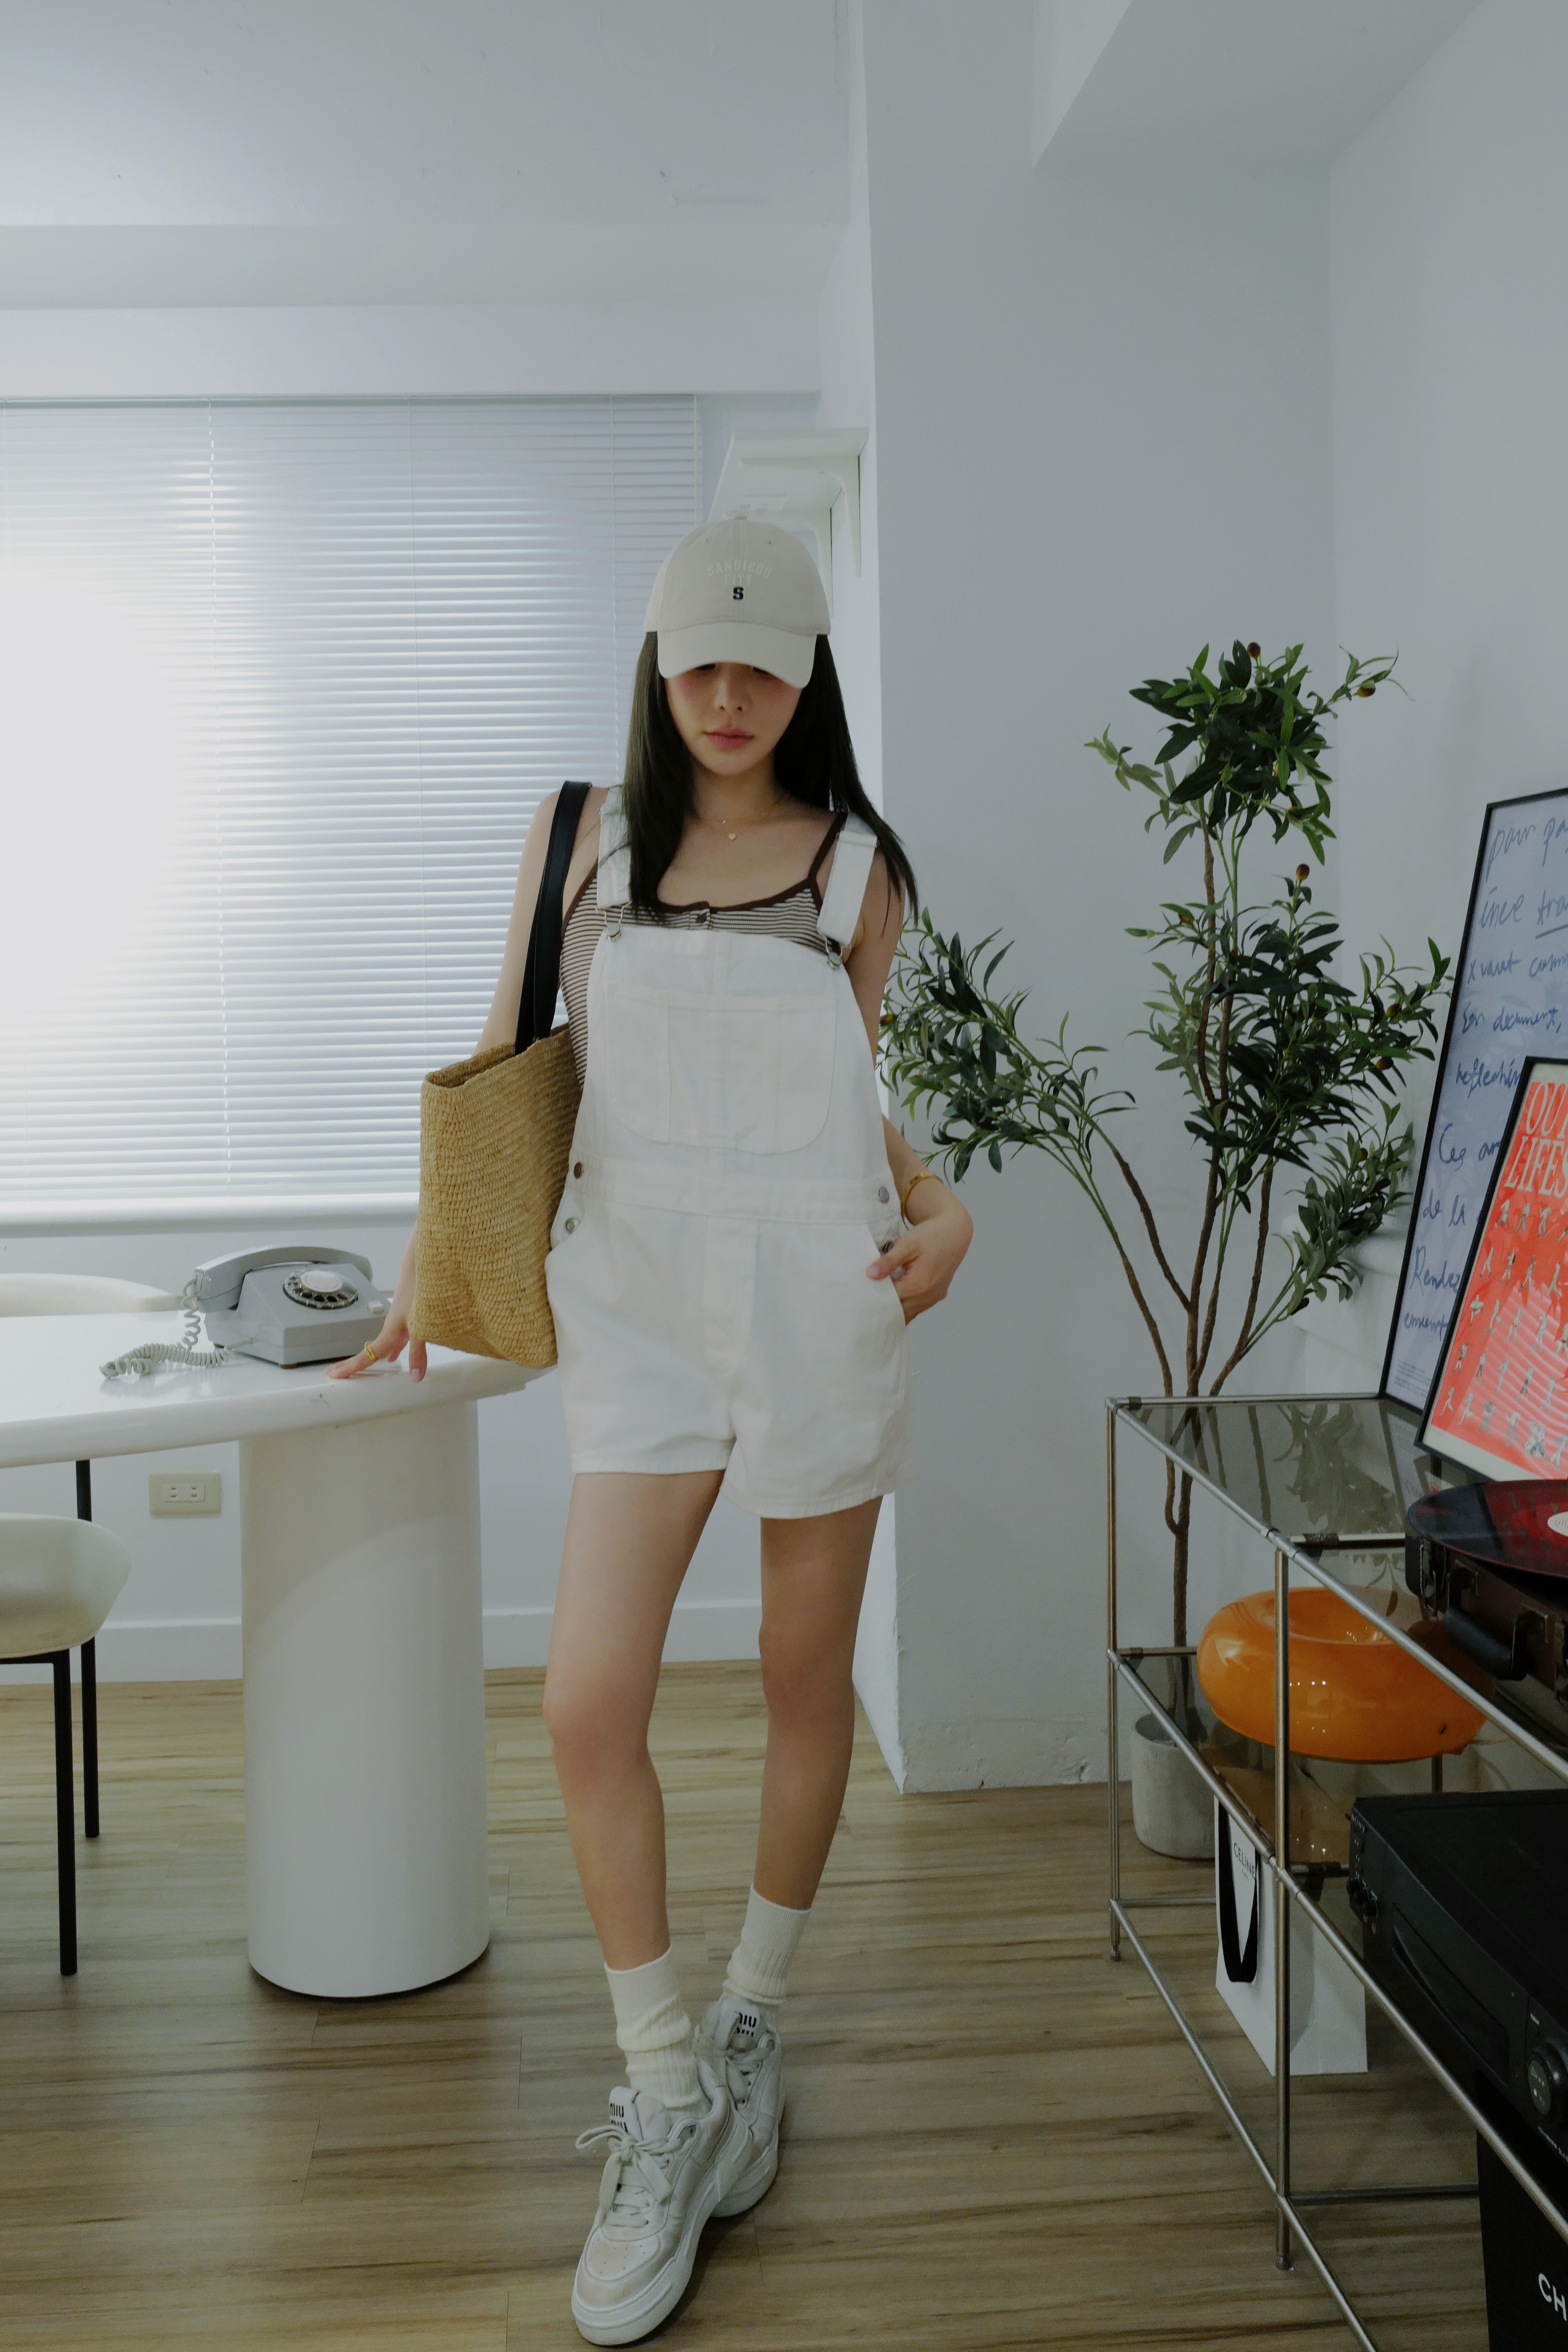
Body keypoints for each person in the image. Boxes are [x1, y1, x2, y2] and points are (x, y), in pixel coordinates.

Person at [333, 516, 973, 2343]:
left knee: (799, 1676)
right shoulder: (577, 840)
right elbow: (503, 1061)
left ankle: (751, 2020)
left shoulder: (862, 870)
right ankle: (665, 2086)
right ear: (657, 659)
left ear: (810, 673)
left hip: (821, 1302)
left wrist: (950, 1209)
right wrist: (430, 1253)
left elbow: (857, 1107)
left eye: (763, 664)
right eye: (701, 658)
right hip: (636, 1313)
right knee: (585, 1700)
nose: (728, 694)